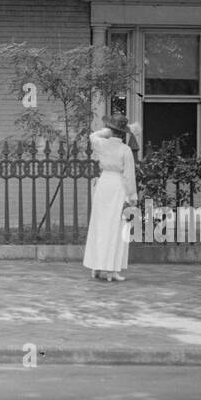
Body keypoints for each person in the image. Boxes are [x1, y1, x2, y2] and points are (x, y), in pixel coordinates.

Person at [83, 113, 139, 282]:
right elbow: (129, 175)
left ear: (110, 130)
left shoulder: (102, 144)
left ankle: (97, 266)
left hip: (103, 184)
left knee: (100, 226)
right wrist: (133, 196)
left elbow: (93, 136)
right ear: (123, 133)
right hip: (117, 186)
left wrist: (105, 132)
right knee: (115, 227)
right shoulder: (125, 150)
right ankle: (111, 270)